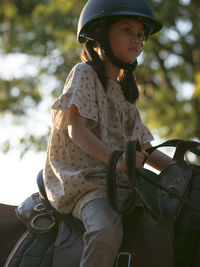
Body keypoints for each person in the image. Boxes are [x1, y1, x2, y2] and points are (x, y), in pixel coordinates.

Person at [43, 0, 172, 266]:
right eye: (127, 30)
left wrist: (185, 171)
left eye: (140, 34)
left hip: (122, 183)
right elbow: (76, 129)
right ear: (100, 35)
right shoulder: (85, 74)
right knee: (105, 231)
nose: (136, 39)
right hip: (87, 183)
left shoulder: (125, 89)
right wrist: (118, 158)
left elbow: (144, 148)